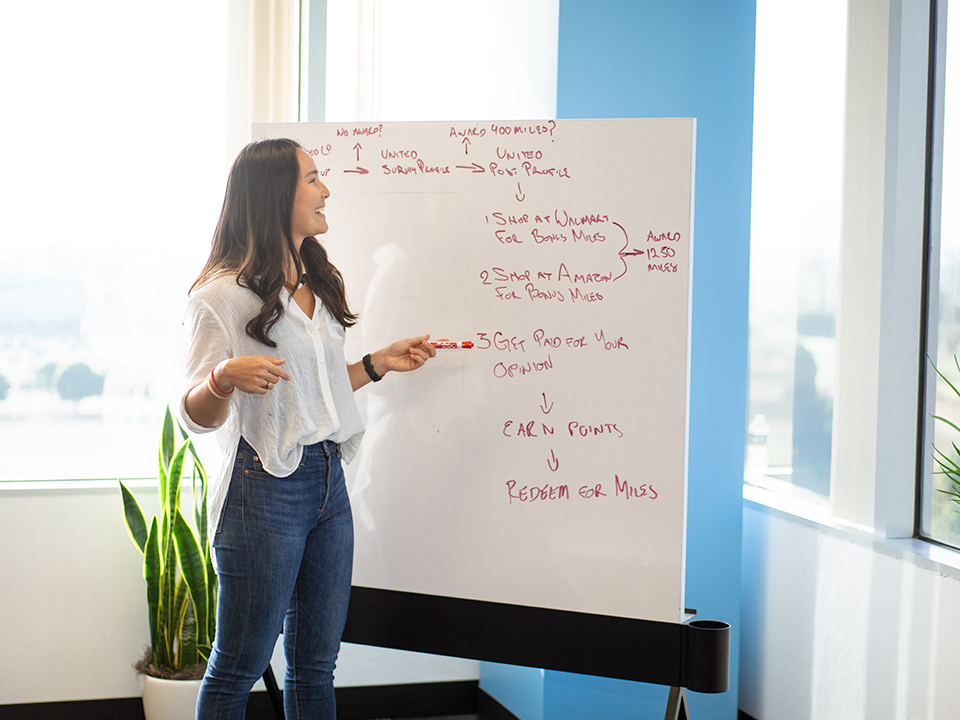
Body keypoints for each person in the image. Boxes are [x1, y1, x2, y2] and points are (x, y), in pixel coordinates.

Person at [179, 137, 436, 720]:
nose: (326, 190)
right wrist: (221, 378)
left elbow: (312, 391)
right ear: (275, 194)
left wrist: (376, 364)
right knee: (238, 667)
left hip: (328, 483)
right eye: (314, 178)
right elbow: (194, 414)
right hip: (263, 487)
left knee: (317, 666)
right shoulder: (220, 294)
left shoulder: (319, 279)